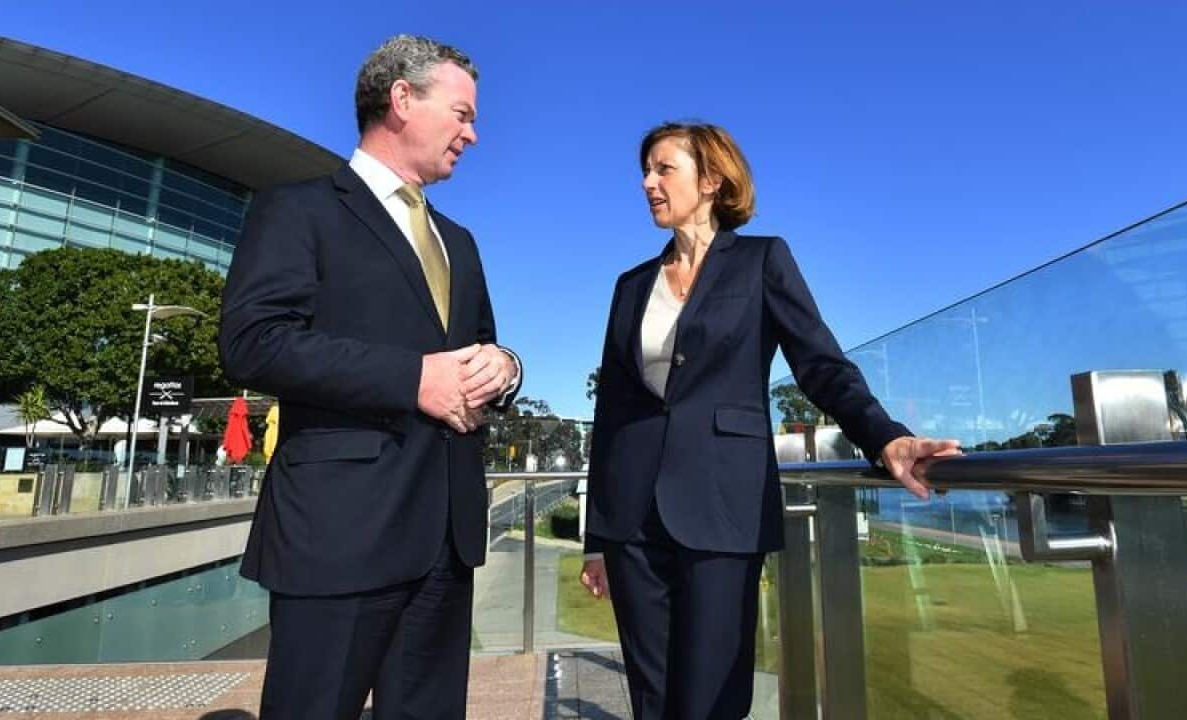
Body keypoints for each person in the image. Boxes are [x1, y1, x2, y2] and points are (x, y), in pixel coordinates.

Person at [579, 122, 958, 719]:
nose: (647, 183)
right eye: (644, 172)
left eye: (663, 169)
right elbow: (612, 414)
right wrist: (597, 538)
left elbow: (821, 364)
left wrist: (885, 436)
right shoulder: (629, 287)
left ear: (710, 179)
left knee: (714, 698)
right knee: (651, 700)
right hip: (631, 520)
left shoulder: (762, 261)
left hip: (723, 506)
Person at [219, 35, 521, 720]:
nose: (473, 135)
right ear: (402, 98)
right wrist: (411, 379)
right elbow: (253, 342)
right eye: (464, 113)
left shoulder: (460, 242)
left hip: (446, 536)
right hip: (340, 533)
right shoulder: (298, 209)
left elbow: (478, 352)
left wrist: (505, 368)